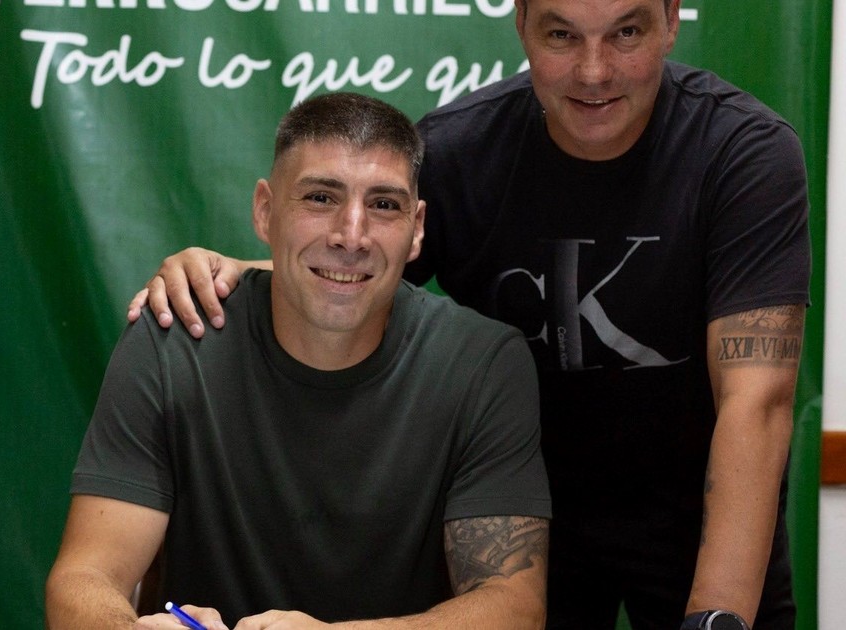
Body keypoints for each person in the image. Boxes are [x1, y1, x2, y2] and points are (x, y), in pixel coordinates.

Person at [127, 1, 811, 629]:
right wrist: (229, 272)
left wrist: (717, 617)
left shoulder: (743, 153)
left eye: (626, 33)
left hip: (705, 509)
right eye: (561, 36)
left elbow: (757, 402)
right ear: (521, 26)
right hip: (523, 516)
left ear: (671, 21)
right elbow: (354, 272)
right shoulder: (460, 151)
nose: (595, 71)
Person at [46, 92, 552, 630]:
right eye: (320, 198)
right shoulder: (175, 334)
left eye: (384, 205)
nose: (351, 236)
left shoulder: (482, 363)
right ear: (265, 211)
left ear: (418, 227)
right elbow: (85, 578)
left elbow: (513, 605)